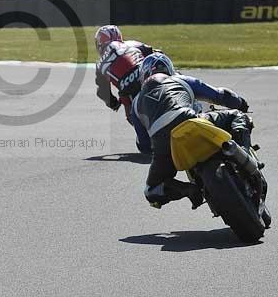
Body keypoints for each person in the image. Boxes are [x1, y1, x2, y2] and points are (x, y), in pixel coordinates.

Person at [131, 51, 252, 209]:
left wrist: (158, 150)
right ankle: (243, 153)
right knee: (237, 116)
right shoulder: (179, 78)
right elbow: (219, 95)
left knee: (151, 191)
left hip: (162, 140)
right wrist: (241, 103)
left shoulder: (135, 103)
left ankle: (187, 190)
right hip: (189, 119)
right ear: (169, 68)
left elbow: (143, 144)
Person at [94, 25, 158, 150]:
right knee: (169, 73)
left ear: (100, 43)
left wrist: (113, 103)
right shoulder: (131, 44)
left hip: (128, 90)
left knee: (130, 116)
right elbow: (155, 52)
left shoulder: (100, 64)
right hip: (146, 75)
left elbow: (102, 92)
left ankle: (148, 136)